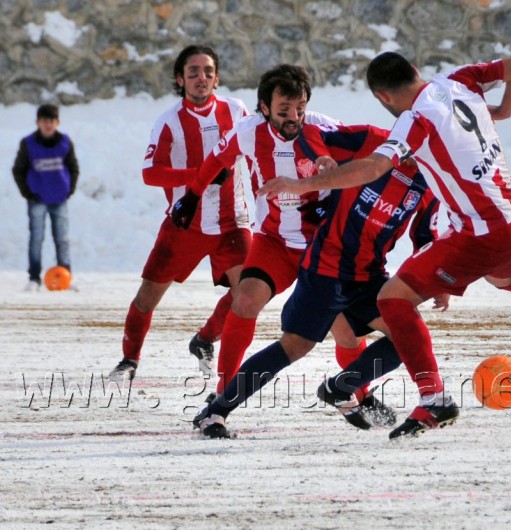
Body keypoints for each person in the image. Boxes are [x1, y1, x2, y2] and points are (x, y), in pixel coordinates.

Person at [262, 51, 511, 439]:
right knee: (505, 277)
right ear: (416, 71)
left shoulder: (414, 120)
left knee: (393, 299)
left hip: (483, 232)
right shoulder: (458, 80)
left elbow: (372, 168)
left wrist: (301, 184)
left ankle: (433, 399)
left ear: (383, 96)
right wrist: (505, 108)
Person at [190, 122, 441, 438]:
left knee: (406, 336)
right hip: (326, 267)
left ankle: (342, 387)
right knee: (295, 346)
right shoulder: (371, 140)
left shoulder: (432, 180)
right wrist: (320, 159)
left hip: (369, 275)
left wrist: (436, 283)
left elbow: (425, 237)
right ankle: (215, 412)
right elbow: (310, 133)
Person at [170, 65, 373, 404]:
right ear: (264, 107)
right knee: (244, 299)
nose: (294, 117)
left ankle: (360, 396)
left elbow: (366, 165)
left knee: (346, 329)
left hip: (321, 246)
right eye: (284, 110)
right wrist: (191, 197)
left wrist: (336, 204)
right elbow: (215, 161)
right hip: (275, 241)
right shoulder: (248, 132)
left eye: (300, 108)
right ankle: (224, 393)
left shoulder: (325, 128)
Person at [108, 45, 253, 382]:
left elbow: (258, 147)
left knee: (249, 293)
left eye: (208, 72)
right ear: (180, 79)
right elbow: (150, 173)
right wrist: (199, 175)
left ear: (217, 79)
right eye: (193, 72)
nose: (201, 77)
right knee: (147, 297)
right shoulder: (168, 122)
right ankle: (129, 361)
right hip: (186, 223)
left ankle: (205, 339)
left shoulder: (237, 110)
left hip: (233, 222)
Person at [12, 104, 79, 292]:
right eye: (44, 121)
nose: (48, 125)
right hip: (37, 200)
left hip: (59, 199)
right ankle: (34, 278)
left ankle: (65, 275)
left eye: (51, 121)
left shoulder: (65, 142)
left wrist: (69, 189)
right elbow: (18, 170)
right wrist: (27, 193)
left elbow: (73, 167)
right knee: (36, 239)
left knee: (62, 239)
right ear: (38, 122)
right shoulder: (28, 143)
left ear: (57, 122)